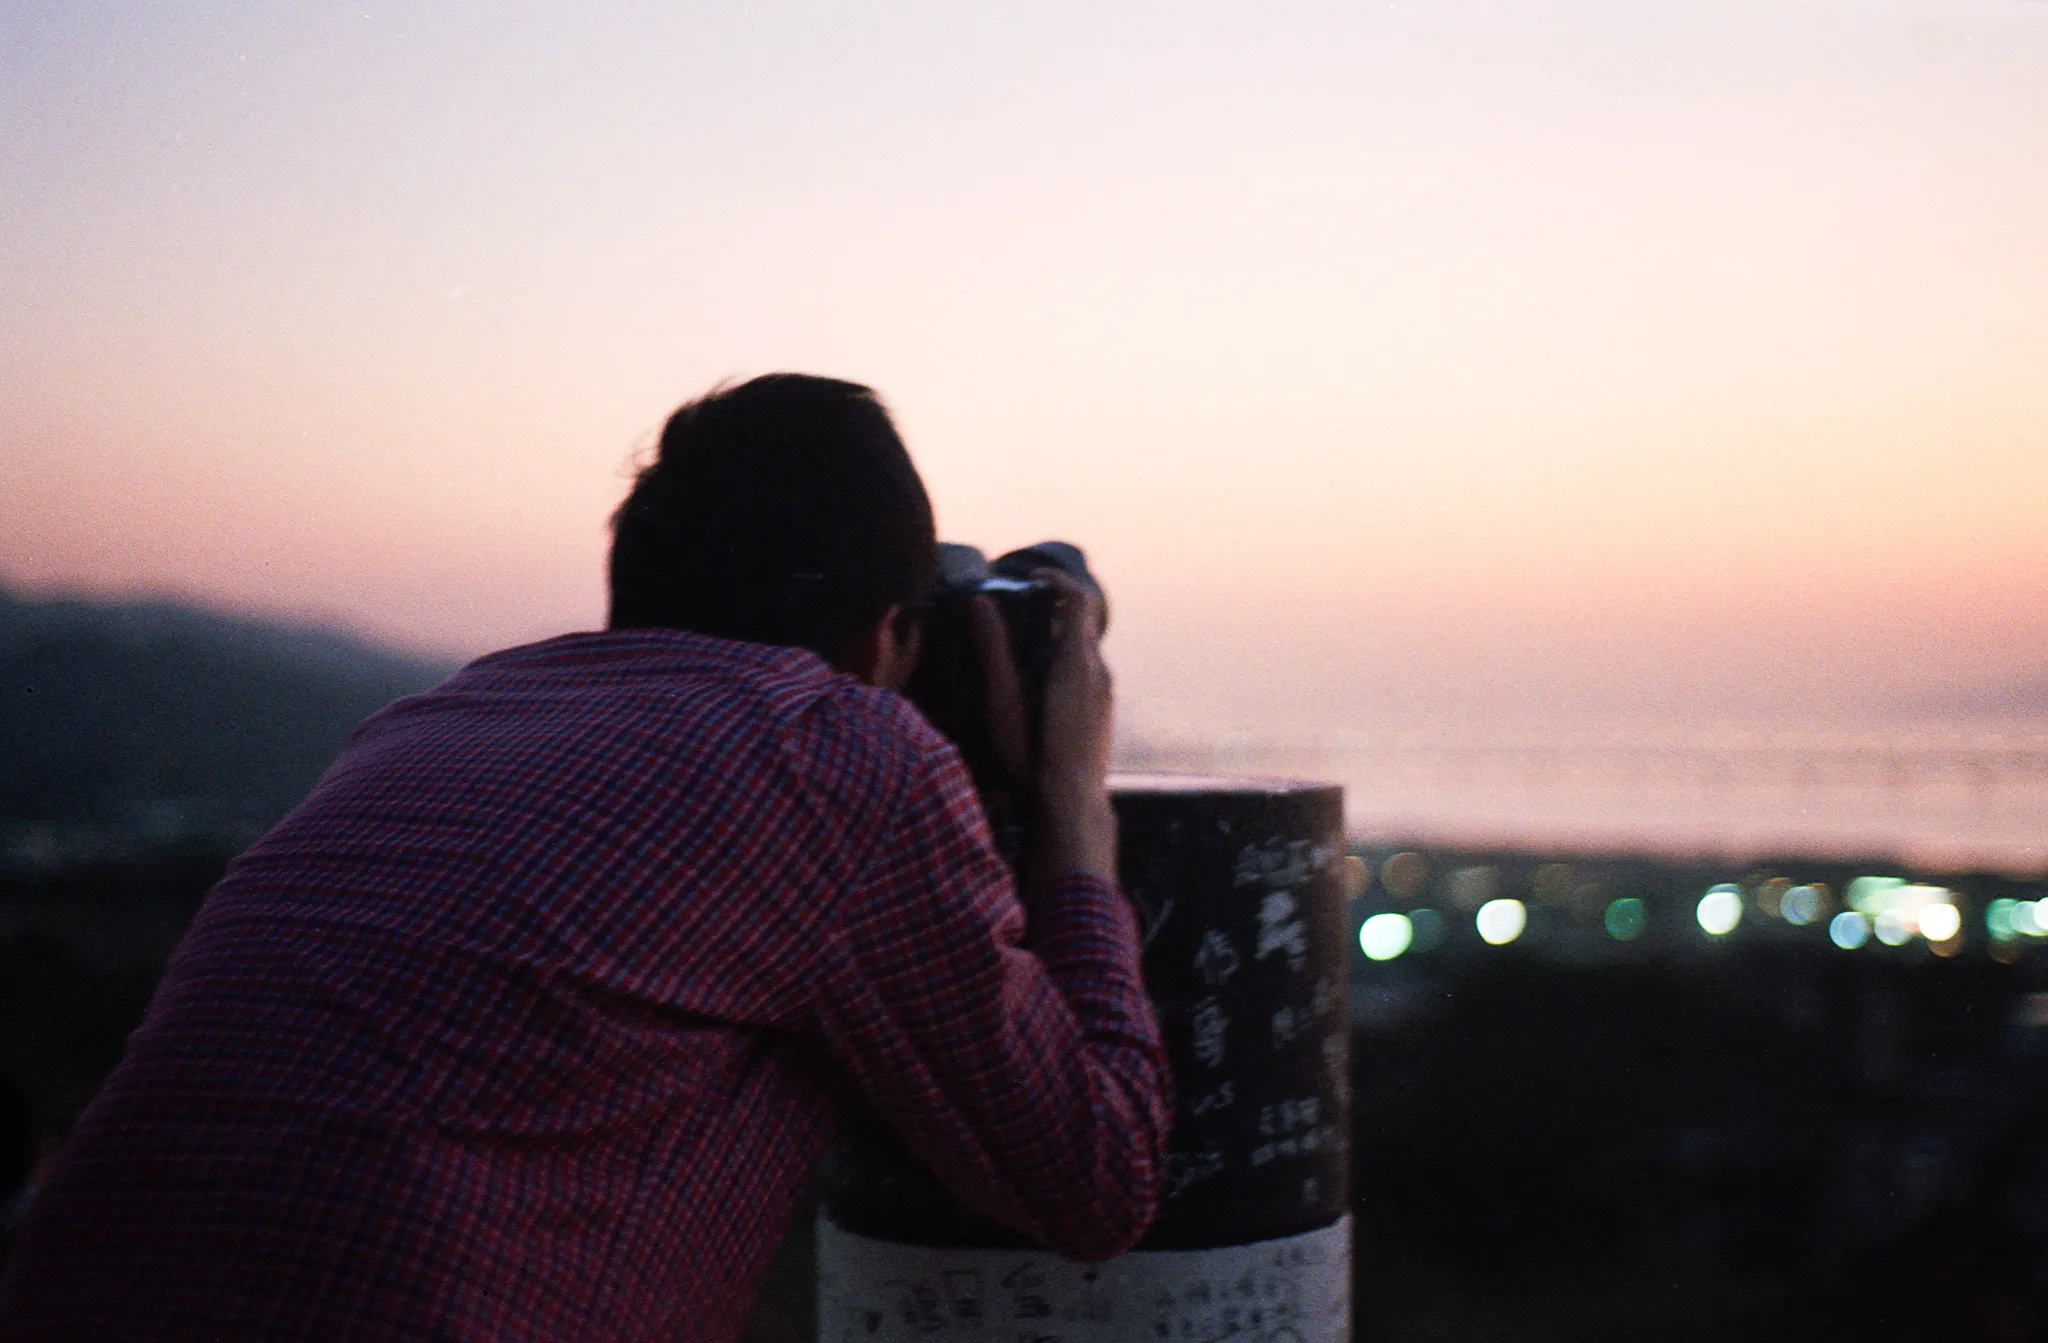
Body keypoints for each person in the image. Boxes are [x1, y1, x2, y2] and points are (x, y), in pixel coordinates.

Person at [0, 374, 1171, 1342]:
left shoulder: (434, 716)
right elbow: (1095, 1176)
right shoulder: (836, 747)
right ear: (880, 638)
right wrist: (1071, 809)